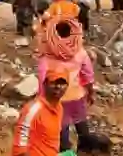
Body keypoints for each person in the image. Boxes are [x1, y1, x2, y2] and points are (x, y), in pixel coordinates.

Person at [37, 17, 98, 153]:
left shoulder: (46, 56)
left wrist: (42, 102)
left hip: (57, 98)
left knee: (61, 131)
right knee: (81, 126)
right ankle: (85, 150)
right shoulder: (79, 52)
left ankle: (65, 152)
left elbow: (42, 81)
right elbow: (88, 76)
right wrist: (90, 93)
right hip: (77, 96)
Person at [12, 69, 69, 156]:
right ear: (45, 84)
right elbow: (20, 144)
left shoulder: (59, 108)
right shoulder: (33, 109)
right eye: (53, 82)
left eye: (62, 83)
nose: (58, 86)